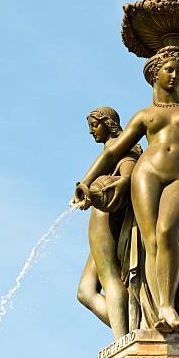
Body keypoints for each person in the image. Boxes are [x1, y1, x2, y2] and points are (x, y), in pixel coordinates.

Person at [72, 47, 179, 333]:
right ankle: (157, 309)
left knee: (168, 232)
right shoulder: (144, 116)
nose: (175, 76)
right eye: (170, 70)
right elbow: (112, 153)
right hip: (148, 174)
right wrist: (86, 181)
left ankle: (168, 304)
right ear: (156, 75)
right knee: (150, 240)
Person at [75, 107, 141, 339]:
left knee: (110, 278)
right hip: (101, 221)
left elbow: (128, 177)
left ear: (108, 123)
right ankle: (132, 329)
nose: (92, 131)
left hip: (108, 220)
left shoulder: (126, 147)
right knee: (85, 291)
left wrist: (103, 190)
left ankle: (123, 339)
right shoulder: (112, 149)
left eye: (95, 125)